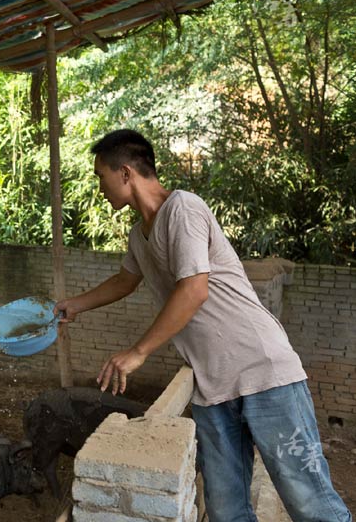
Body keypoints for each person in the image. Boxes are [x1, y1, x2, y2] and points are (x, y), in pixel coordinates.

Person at [56, 129, 351, 522]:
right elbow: (126, 281)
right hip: (213, 387)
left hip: (263, 372)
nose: (99, 187)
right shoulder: (139, 235)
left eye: (100, 176)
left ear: (125, 173)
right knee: (226, 511)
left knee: (308, 501)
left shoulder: (184, 209)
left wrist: (138, 352)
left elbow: (194, 289)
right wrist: (74, 305)